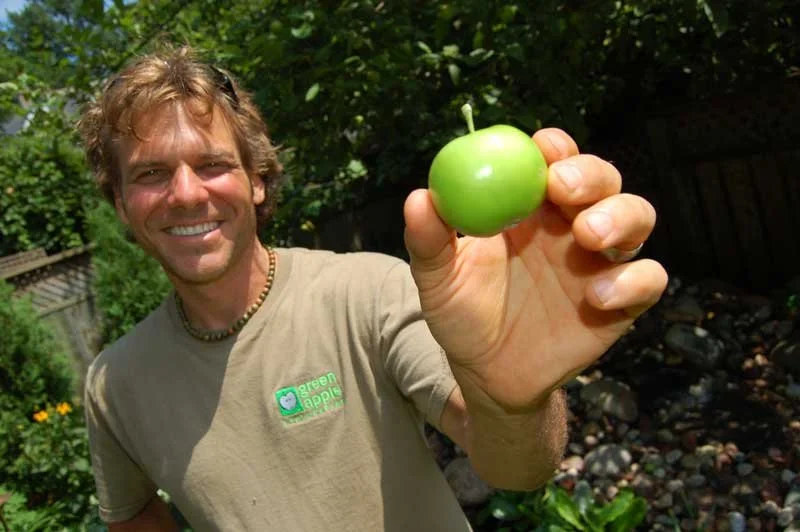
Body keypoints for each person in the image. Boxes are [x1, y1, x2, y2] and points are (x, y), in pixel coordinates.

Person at [77, 44, 667, 531]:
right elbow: (130, 516)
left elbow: (516, 467)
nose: (185, 193)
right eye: (151, 173)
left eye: (211, 165)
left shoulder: (369, 293)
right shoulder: (115, 383)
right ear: (122, 205)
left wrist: (514, 401)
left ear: (256, 181)